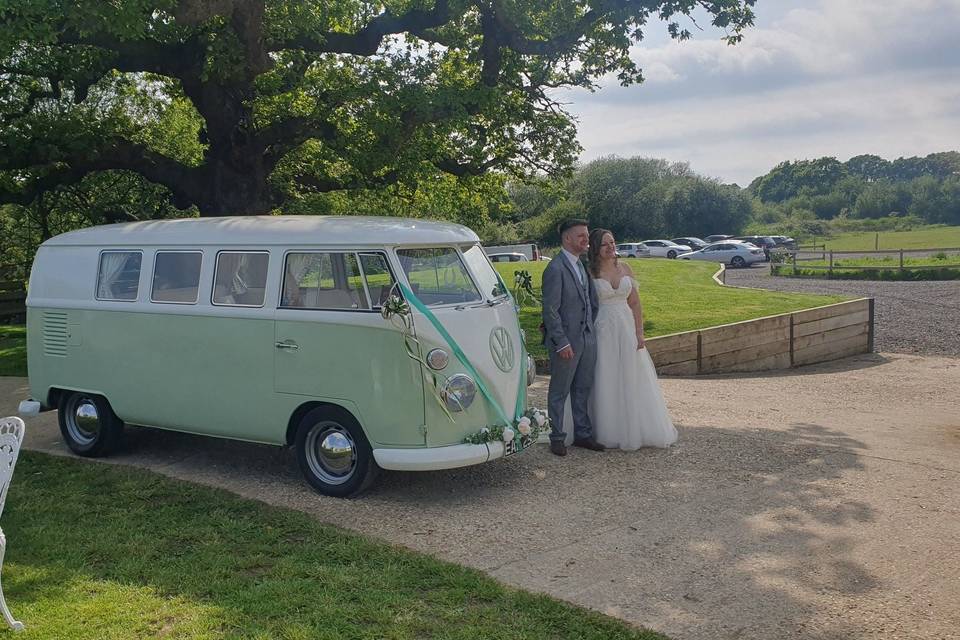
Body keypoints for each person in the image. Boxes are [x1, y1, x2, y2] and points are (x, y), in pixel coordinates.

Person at [586, 228, 678, 449]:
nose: (611, 247)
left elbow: (635, 302)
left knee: (632, 374)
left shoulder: (626, 268)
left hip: (627, 327)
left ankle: (637, 426)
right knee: (606, 375)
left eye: (613, 242)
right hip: (603, 328)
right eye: (605, 244)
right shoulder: (590, 272)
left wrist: (639, 332)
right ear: (596, 249)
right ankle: (608, 428)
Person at [541, 219, 604, 456]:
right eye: (581, 236)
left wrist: (589, 328)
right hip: (566, 343)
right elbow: (550, 311)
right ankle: (556, 437)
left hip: (587, 339)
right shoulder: (555, 269)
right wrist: (562, 341)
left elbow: (592, 302)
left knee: (583, 388)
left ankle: (583, 435)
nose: (586, 240)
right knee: (560, 391)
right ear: (567, 239)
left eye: (586, 235)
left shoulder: (581, 265)